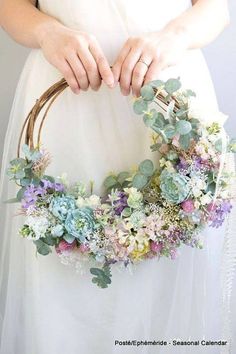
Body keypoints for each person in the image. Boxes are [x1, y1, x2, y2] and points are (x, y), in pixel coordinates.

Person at [0, 1, 234, 353]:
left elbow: (215, 8)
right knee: (62, 288)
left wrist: (174, 36)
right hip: (65, 100)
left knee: (168, 283)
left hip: (169, 98)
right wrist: (47, 32)